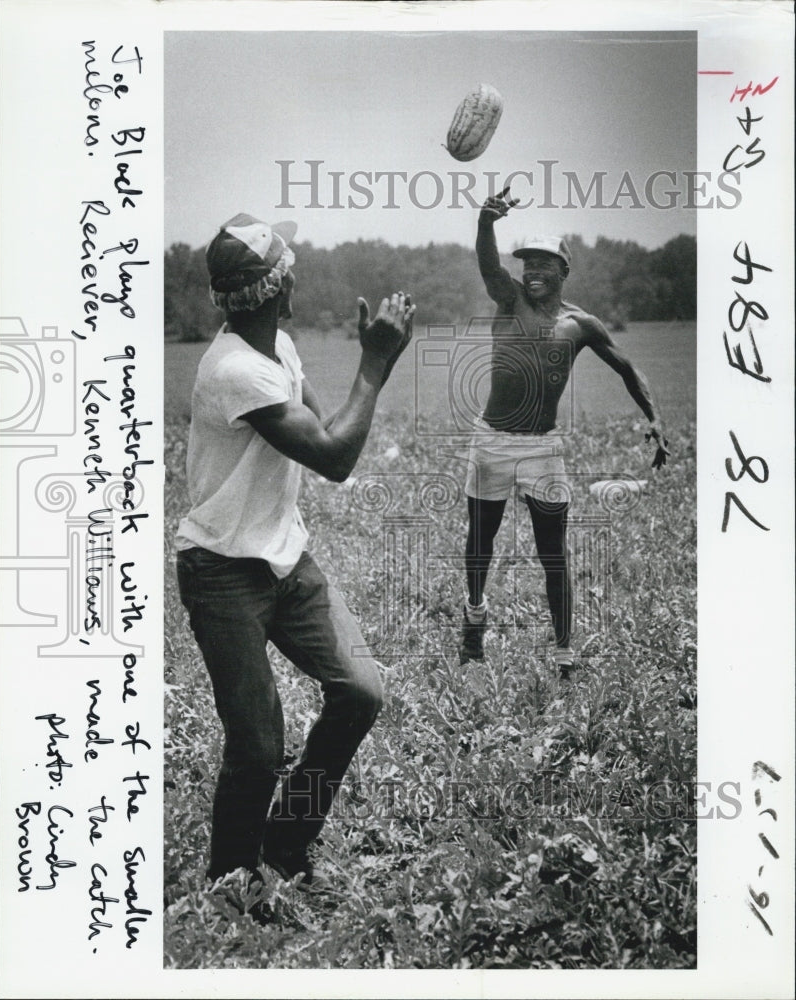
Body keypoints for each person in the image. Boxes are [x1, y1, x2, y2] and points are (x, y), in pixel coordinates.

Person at [175, 212, 415, 891]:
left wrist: (375, 367)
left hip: (285, 560)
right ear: (276, 288)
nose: (296, 279)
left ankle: (285, 843)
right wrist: (374, 362)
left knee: (359, 692)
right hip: (221, 572)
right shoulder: (235, 370)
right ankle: (231, 883)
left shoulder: (278, 346)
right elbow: (335, 458)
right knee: (257, 746)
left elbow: (327, 429)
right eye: (290, 271)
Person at [460, 188, 669, 672]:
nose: (532, 271)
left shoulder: (581, 324)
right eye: (527, 263)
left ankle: (564, 653)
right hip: (492, 441)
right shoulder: (509, 298)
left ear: (564, 271)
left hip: (543, 448)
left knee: (553, 552)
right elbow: (489, 266)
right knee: (480, 543)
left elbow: (627, 367)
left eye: (543, 264)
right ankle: (474, 618)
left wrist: (654, 416)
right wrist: (486, 223)